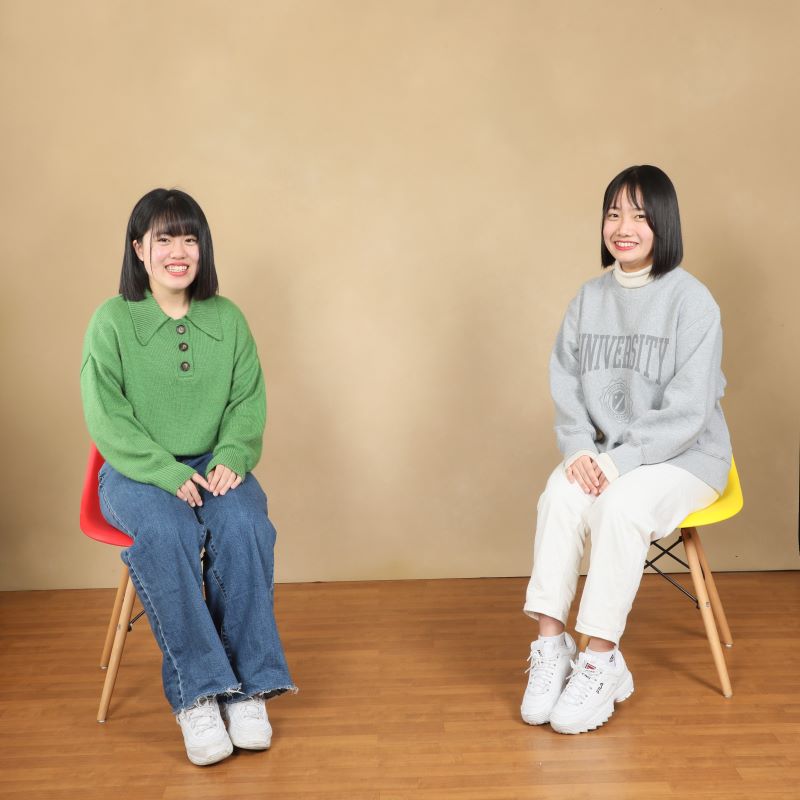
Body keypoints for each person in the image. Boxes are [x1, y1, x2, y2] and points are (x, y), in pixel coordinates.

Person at [81, 188, 295, 765]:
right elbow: (106, 416)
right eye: (164, 239)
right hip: (136, 471)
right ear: (139, 250)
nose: (178, 252)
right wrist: (162, 469)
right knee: (167, 532)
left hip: (213, 464)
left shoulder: (227, 318)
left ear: (203, 248)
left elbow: (247, 401)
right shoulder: (112, 321)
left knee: (246, 525)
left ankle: (249, 690)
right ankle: (199, 695)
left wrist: (233, 454)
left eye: (189, 239)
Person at [520, 165, 731, 735]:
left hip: (686, 458)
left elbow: (689, 410)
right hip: (603, 454)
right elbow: (566, 383)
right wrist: (577, 450)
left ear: (664, 223)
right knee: (559, 496)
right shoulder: (588, 299)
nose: (623, 227)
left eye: (639, 215)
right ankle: (551, 647)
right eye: (613, 214)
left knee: (619, 507)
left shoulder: (692, 301)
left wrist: (619, 462)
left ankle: (601, 659)